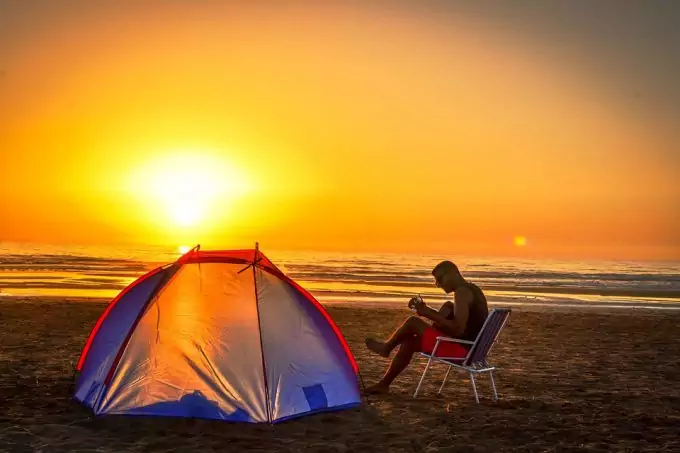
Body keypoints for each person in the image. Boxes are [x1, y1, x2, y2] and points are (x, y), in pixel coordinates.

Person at [364, 260, 488, 394]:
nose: (438, 284)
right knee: (410, 342)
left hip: (463, 352)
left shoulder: (461, 292)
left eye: (440, 279)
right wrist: (431, 312)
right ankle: (384, 385)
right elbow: (462, 322)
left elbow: (458, 329)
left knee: (413, 322)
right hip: (473, 351)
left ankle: (386, 348)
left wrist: (428, 313)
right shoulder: (472, 289)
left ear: (454, 274)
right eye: (436, 281)